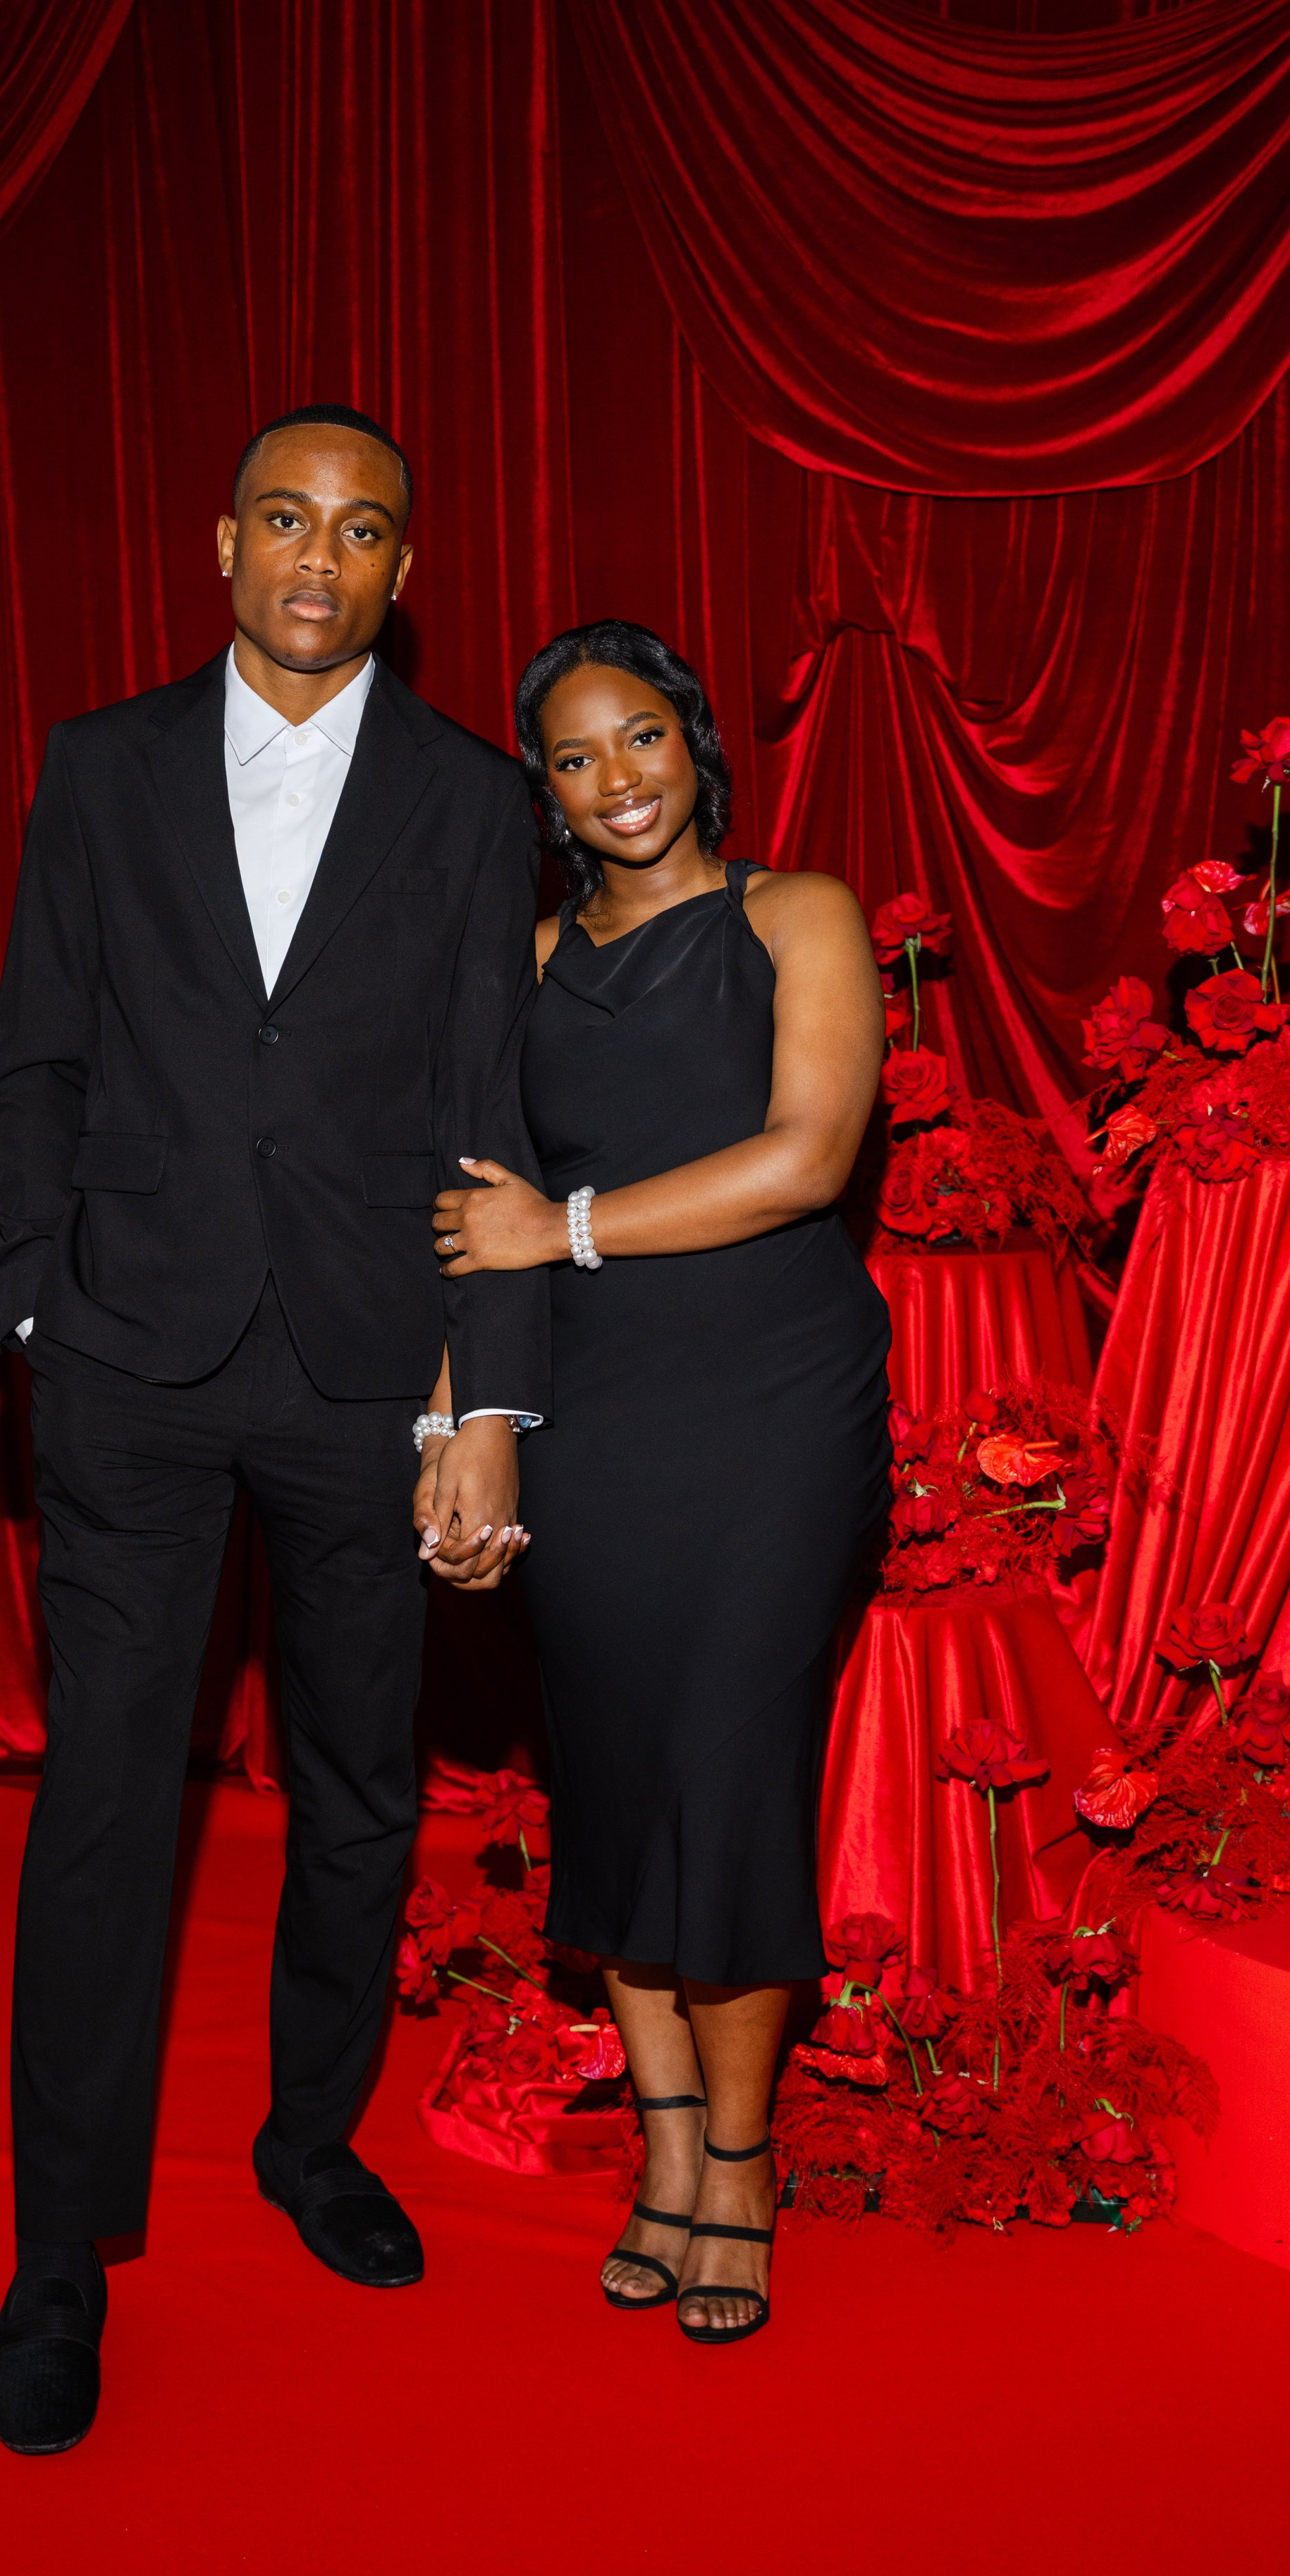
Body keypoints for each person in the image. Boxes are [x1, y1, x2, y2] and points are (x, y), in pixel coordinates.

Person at [0, 405, 548, 2452]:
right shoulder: (100, 767)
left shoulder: (480, 807)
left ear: (405, 571)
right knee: (109, 1804)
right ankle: (60, 2253)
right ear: (226, 541)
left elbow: (496, 1115)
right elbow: (34, 1049)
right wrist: (33, 1289)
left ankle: (313, 2139)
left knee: (360, 1795)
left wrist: (485, 1394)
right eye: (290, 518)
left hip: (363, 1372)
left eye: (367, 529)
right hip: (129, 1359)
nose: (324, 556)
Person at [431, 619, 889, 2345]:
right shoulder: (525, 966)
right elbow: (473, 1229)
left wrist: (559, 1225)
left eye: (640, 739)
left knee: (728, 1771)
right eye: (570, 755)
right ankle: (667, 2150)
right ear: (540, 790)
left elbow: (807, 1155)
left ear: (695, 745)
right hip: (590, 1423)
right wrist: (450, 1431)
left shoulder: (798, 916)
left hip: (777, 1410)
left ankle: (748, 2167)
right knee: (614, 1778)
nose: (613, 778)